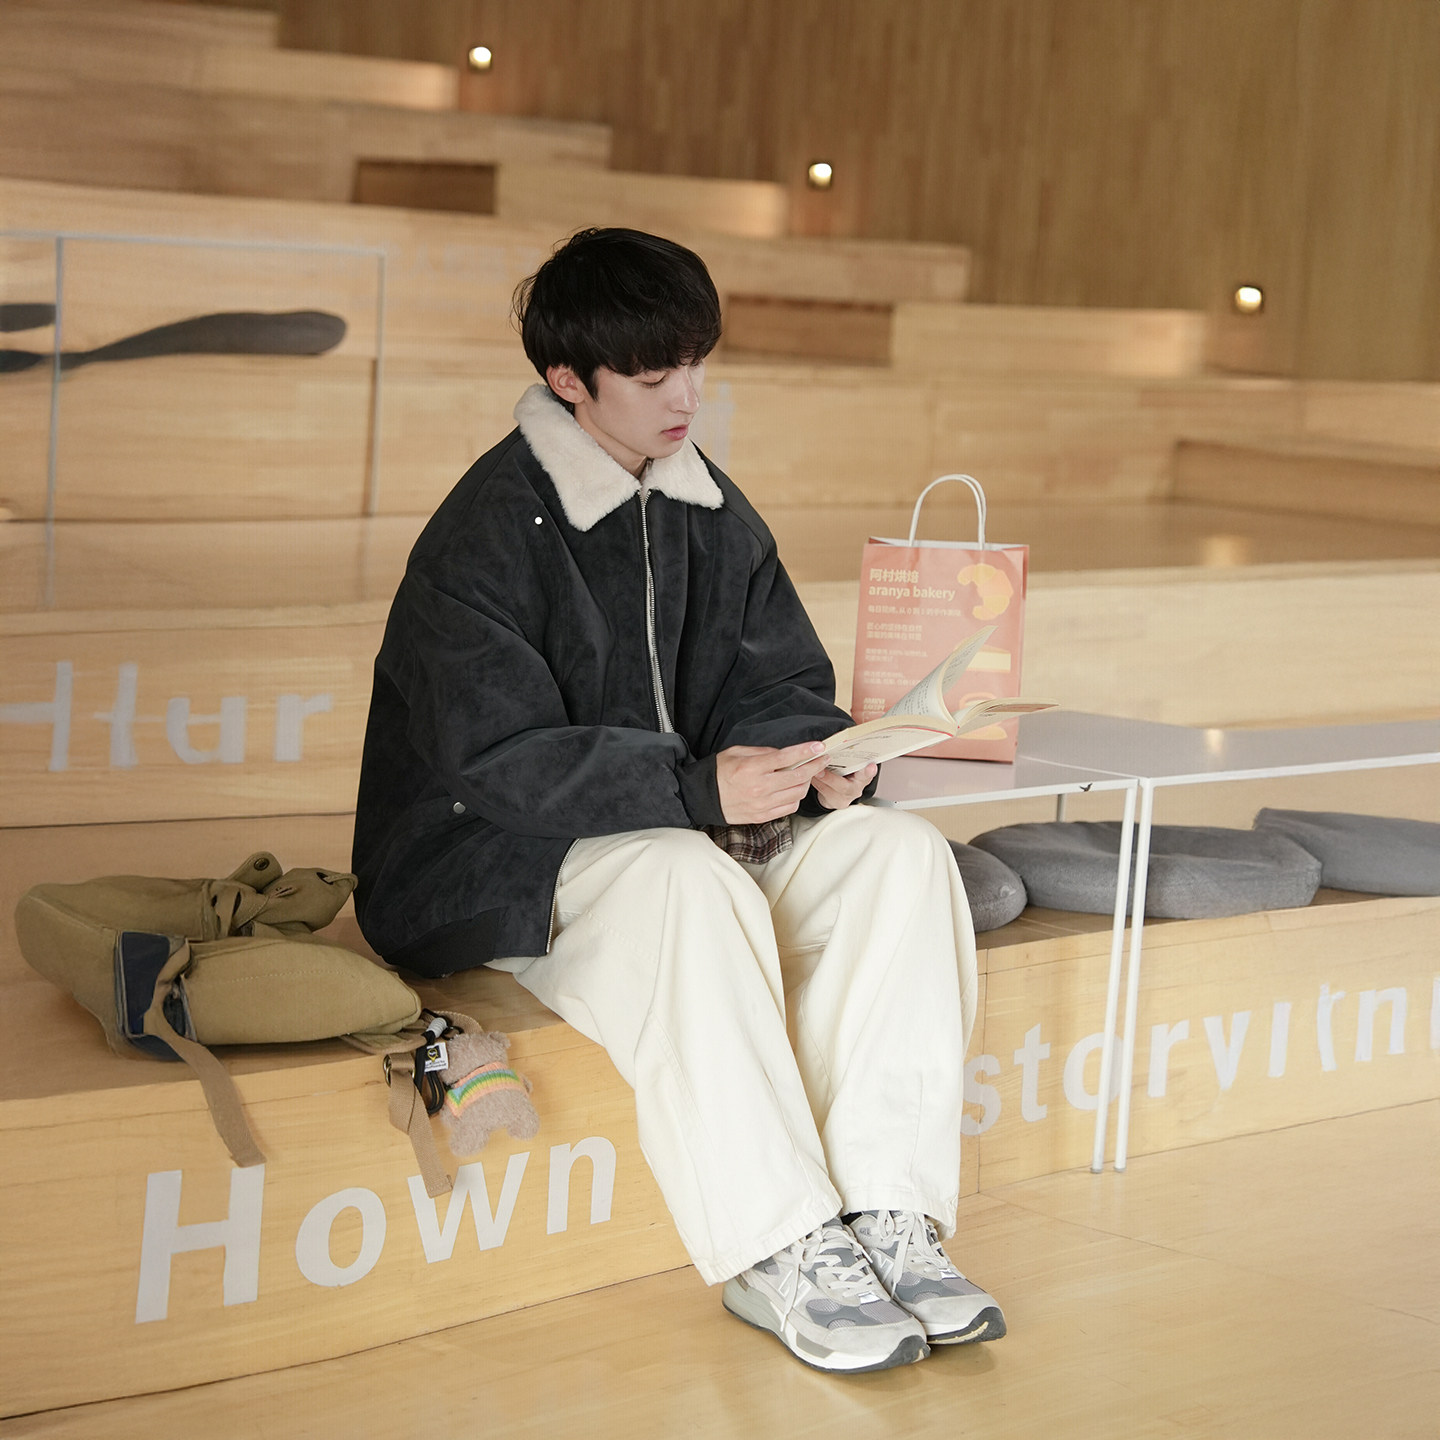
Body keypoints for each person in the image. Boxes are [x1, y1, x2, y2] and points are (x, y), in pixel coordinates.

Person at [352, 227, 1004, 1374]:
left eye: (696, 365)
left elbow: (777, 680)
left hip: (683, 827)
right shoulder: (485, 533)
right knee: (685, 879)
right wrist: (697, 787)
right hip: (484, 862)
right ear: (569, 380)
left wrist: (823, 760)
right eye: (654, 377)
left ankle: (888, 1213)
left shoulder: (712, 509)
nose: (686, 398)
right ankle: (778, 1246)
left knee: (897, 855)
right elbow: (496, 756)